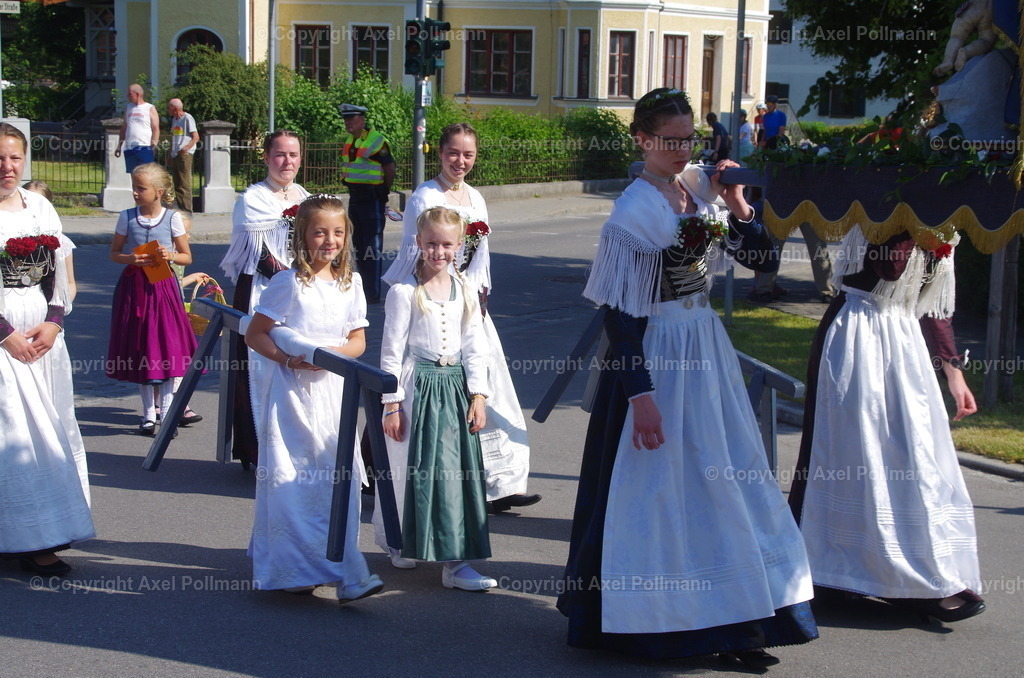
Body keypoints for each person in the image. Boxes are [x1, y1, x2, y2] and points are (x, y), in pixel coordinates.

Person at [557, 88, 817, 669]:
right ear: (642, 140)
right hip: (661, 356)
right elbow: (621, 321)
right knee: (663, 491)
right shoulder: (632, 214)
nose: (681, 150)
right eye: (669, 140)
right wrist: (641, 398)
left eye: (688, 139)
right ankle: (670, 623)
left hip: (707, 352)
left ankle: (742, 618)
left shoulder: (698, 188)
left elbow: (762, 259)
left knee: (727, 481)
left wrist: (739, 202)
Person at [789, 226, 985, 623]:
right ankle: (835, 574)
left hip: (903, 336)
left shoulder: (941, 222)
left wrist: (953, 373)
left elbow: (933, 305)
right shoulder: (881, 213)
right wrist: (912, 222)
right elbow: (892, 268)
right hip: (859, 330)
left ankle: (919, 574)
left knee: (915, 453)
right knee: (852, 452)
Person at [381, 122, 540, 520]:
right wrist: (427, 300)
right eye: (454, 153)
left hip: (468, 302)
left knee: (487, 386)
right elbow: (415, 252)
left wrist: (479, 295)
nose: (461, 161)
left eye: (468, 154)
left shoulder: (476, 198)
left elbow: (481, 255)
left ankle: (500, 482)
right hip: (431, 301)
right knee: (414, 387)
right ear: (440, 153)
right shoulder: (424, 197)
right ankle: (381, 467)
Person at [244, 194, 383, 601]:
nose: (329, 240)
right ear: (303, 236)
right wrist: (288, 359)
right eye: (320, 232)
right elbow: (255, 334)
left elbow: (358, 339)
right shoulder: (288, 283)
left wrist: (331, 358)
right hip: (292, 394)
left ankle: (337, 560)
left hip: (335, 390)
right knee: (294, 478)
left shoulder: (350, 284)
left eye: (337, 232)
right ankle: (297, 568)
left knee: (337, 476)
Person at [378, 206, 496, 591]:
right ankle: (401, 539)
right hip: (418, 389)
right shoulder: (403, 292)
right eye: (431, 244)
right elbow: (391, 352)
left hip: (455, 387)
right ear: (418, 243)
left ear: (459, 245)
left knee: (454, 472)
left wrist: (478, 395)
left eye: (447, 244)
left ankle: (456, 562)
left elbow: (475, 346)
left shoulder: (464, 289)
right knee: (407, 469)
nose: (439, 252)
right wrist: (392, 404)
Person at [0, 123, 93, 577]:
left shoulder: (39, 207)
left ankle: (42, 534)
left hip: (42, 337)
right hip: (4, 343)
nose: (7, 167)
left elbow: (60, 274)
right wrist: (5, 334)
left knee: (48, 433)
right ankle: (19, 535)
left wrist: (54, 323)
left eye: (14, 158)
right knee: (14, 435)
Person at [220, 130, 309, 468]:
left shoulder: (305, 195)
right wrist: (293, 283)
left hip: (301, 290)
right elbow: (259, 256)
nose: (287, 161)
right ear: (266, 158)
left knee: (297, 366)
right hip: (263, 290)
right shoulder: (253, 199)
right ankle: (260, 451)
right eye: (280, 155)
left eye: (294, 155)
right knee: (262, 368)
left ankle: (296, 449)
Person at [106, 163, 197, 435]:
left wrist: (171, 256)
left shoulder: (172, 219)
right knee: (140, 346)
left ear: (158, 192)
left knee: (167, 346)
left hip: (163, 287)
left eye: (140, 188)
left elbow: (186, 256)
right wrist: (130, 258)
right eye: (134, 187)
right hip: (134, 287)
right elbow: (114, 253)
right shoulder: (126, 217)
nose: (135, 192)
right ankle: (147, 414)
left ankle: (168, 413)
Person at [339, 103, 396, 305]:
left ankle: (371, 292)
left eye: (351, 118)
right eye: (345, 119)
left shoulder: (375, 140)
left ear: (362, 120)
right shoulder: (351, 140)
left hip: (372, 198)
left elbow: (389, 167)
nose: (347, 122)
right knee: (360, 245)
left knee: (372, 246)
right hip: (356, 197)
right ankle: (362, 288)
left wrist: (384, 191)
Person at [748, 223, 837, 303]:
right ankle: (827, 292)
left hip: (785, 208)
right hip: (810, 207)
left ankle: (764, 290)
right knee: (818, 247)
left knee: (774, 245)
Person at [24, 180, 77, 302]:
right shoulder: (9, 237)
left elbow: (70, 282)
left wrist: (60, 310)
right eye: (28, 203)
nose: (33, 209)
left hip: (50, 306)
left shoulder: (61, 241)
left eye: (39, 203)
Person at [115, 83, 159, 173]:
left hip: (144, 146)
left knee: (146, 174)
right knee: (133, 175)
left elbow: (155, 128)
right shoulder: (128, 107)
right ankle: (134, 188)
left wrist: (154, 143)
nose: (127, 96)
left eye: (130, 94)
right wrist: (119, 146)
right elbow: (124, 127)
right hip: (129, 147)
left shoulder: (149, 108)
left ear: (137, 94)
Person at [166, 98, 199, 214]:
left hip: (184, 154)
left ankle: (187, 210)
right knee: (177, 182)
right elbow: (173, 138)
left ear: (175, 108)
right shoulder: (175, 120)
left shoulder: (187, 118)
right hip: (176, 153)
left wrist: (186, 148)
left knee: (184, 183)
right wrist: (170, 154)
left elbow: (195, 136)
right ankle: (180, 209)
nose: (167, 110)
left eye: (169, 107)